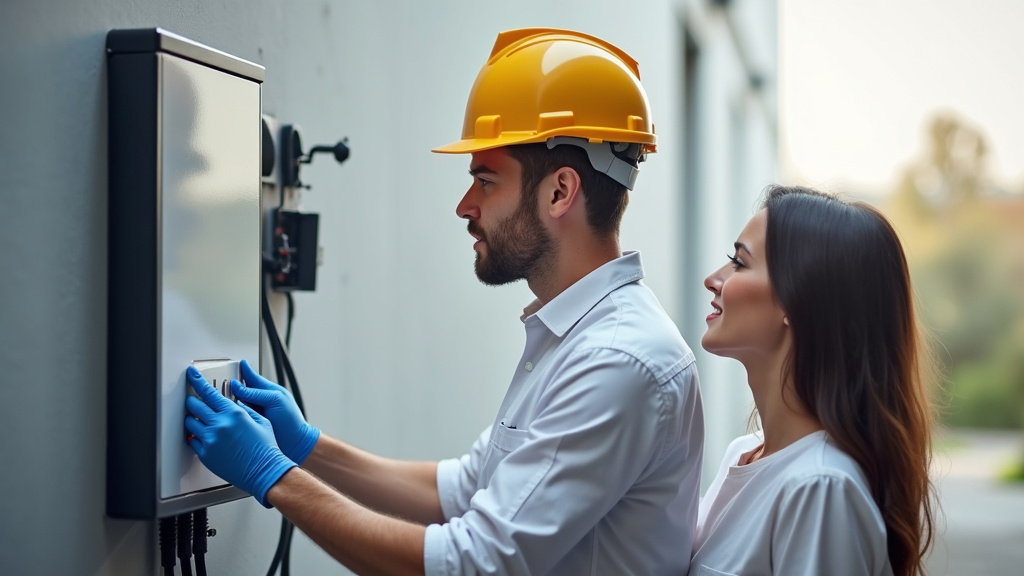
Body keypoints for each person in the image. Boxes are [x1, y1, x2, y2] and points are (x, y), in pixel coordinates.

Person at [185, 28, 704, 575]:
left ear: (560, 191)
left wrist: (274, 477)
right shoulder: (574, 337)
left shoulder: (618, 361)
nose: (464, 205)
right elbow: (459, 490)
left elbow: (474, 564)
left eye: (486, 180)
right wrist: (308, 448)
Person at [687, 185, 937, 576]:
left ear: (796, 298)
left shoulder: (820, 488)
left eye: (738, 262)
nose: (713, 279)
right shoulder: (742, 454)